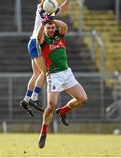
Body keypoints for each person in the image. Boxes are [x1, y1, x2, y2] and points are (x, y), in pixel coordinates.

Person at [20, 0, 75, 117]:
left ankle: (26, 100)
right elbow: (43, 3)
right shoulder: (42, 6)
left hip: (33, 42)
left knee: (36, 74)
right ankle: (34, 99)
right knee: (46, 73)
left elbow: (61, 9)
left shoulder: (49, 10)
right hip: (36, 42)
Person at [37, 19, 88, 148]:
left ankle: (63, 111)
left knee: (83, 99)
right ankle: (43, 132)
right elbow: (38, 38)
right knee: (51, 106)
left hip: (67, 73)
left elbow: (64, 26)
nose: (50, 30)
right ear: (45, 29)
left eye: (52, 27)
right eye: (48, 28)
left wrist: (52, 20)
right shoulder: (44, 41)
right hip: (54, 75)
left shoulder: (59, 36)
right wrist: (43, 24)